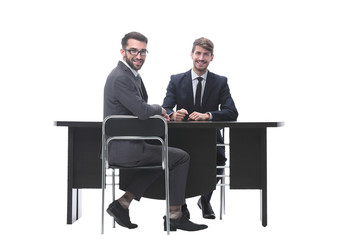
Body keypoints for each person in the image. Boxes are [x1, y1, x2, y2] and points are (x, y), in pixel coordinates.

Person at [103, 32, 207, 232]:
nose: (138, 56)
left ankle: (123, 203)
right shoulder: (121, 78)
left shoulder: (130, 75)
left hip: (129, 147)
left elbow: (137, 108)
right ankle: (175, 215)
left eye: (143, 51)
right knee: (180, 158)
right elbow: (142, 110)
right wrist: (160, 110)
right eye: (133, 51)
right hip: (125, 149)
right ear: (122, 51)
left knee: (164, 159)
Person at [162, 37, 238, 219]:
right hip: (182, 137)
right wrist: (172, 115)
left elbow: (232, 112)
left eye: (206, 54)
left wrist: (209, 115)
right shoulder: (176, 80)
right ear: (191, 54)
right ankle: (181, 203)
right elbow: (165, 107)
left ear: (212, 57)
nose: (201, 58)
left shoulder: (220, 82)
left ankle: (205, 199)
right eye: (198, 53)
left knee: (220, 159)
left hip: (210, 138)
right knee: (179, 163)